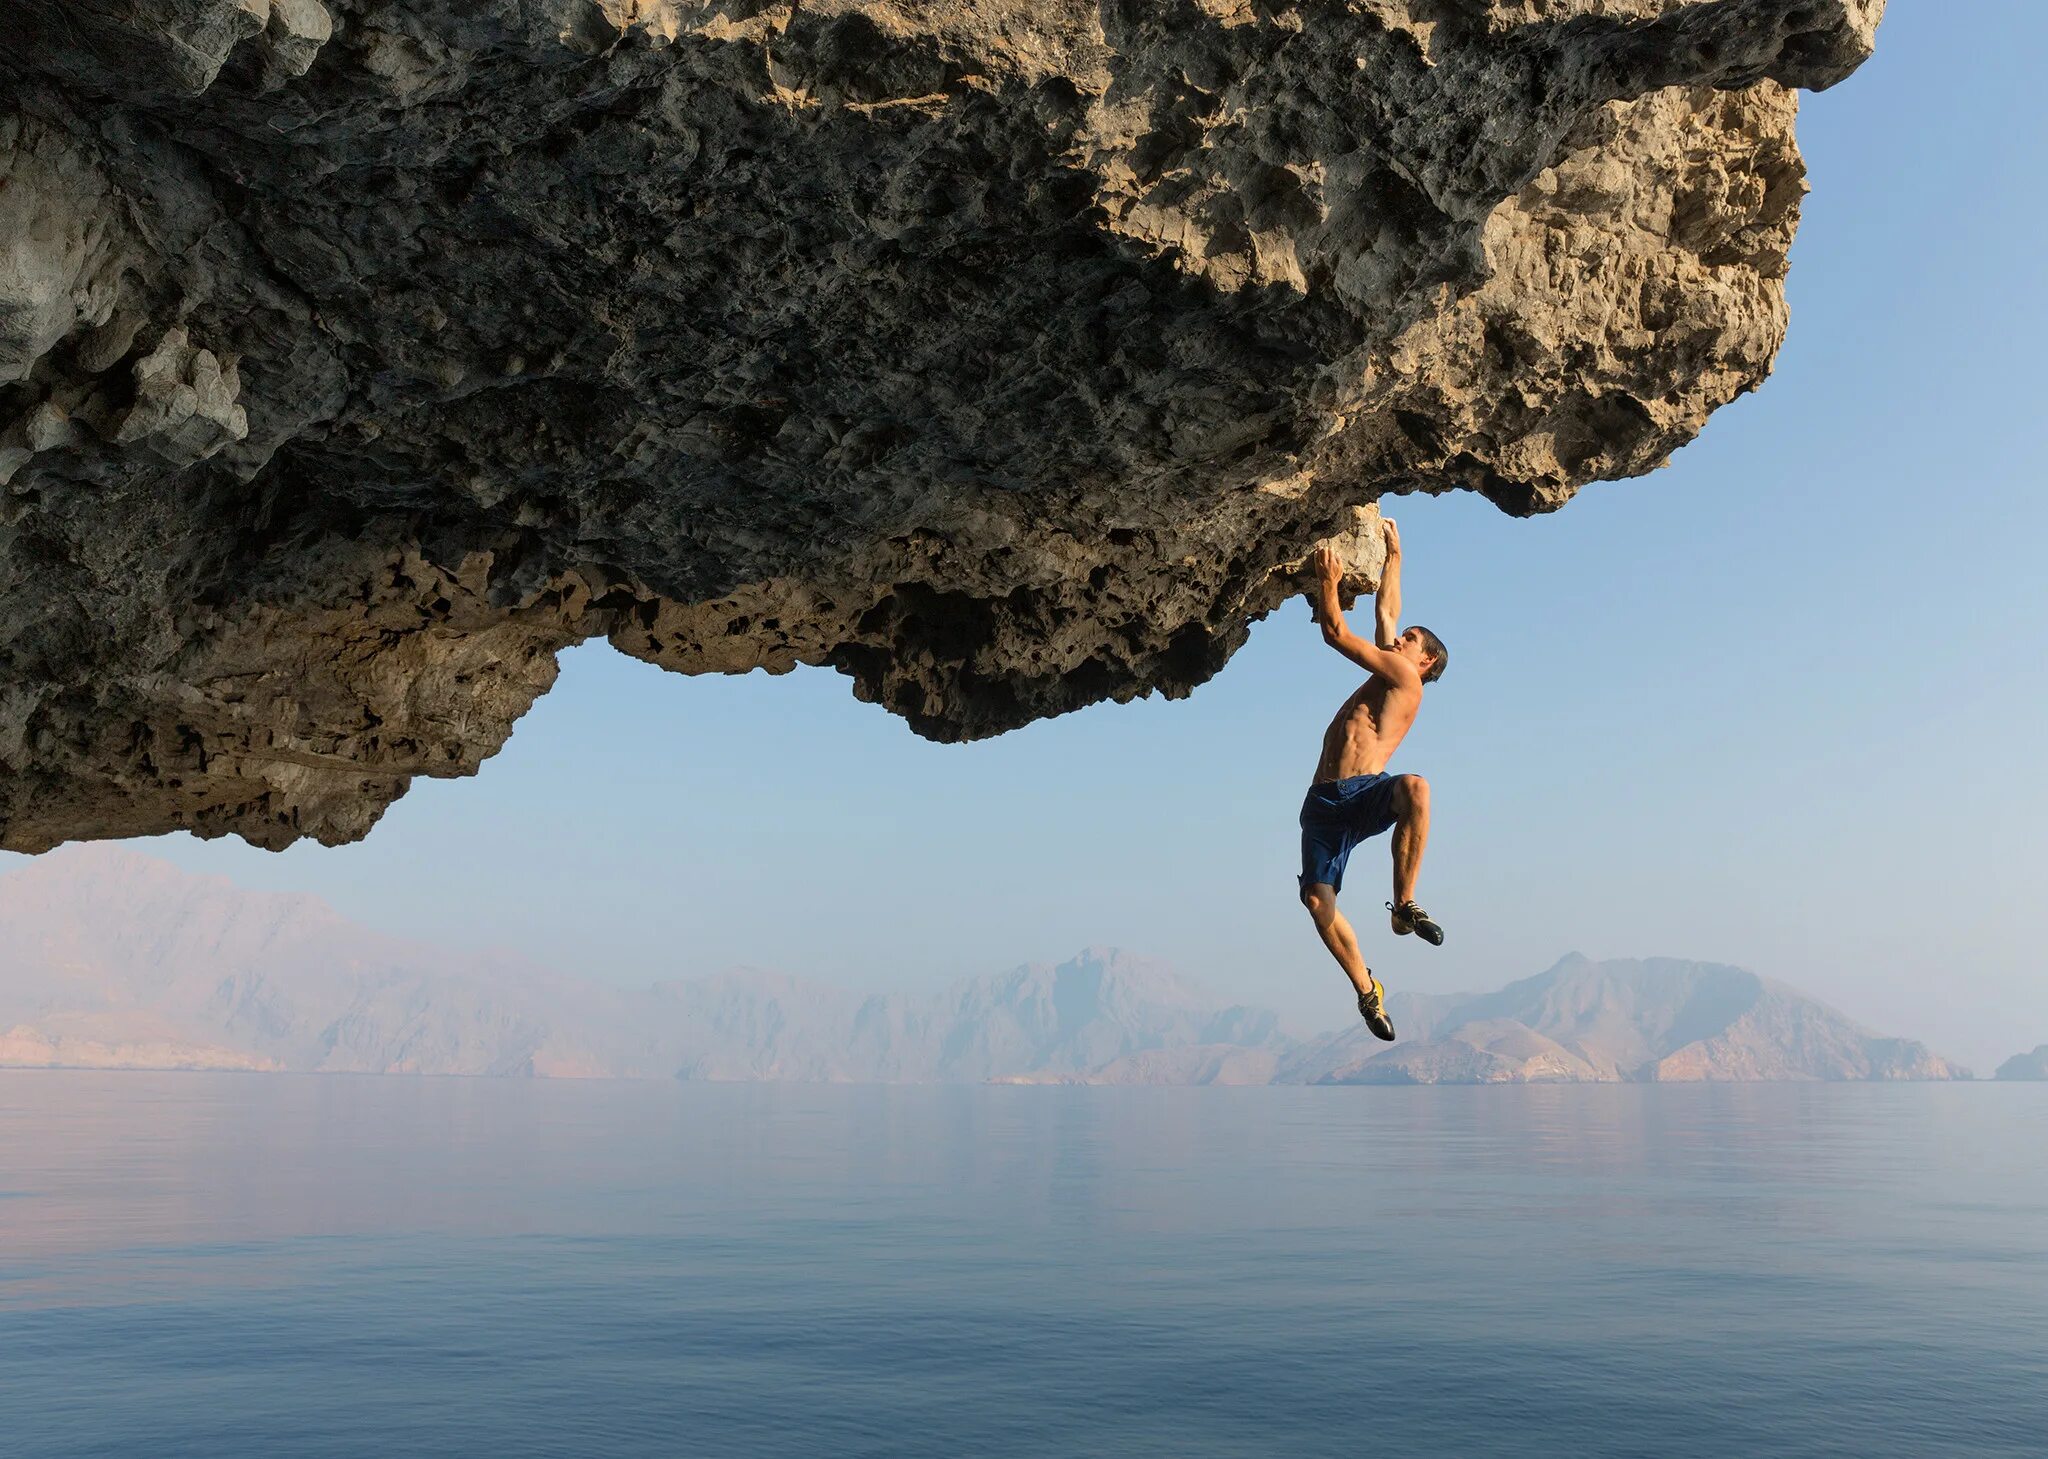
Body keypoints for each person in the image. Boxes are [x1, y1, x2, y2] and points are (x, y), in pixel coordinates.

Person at [1298, 518, 1448, 1040]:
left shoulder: (1406, 678)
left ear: (1424, 660)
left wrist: (1328, 582)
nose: (1398, 638)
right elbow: (1387, 612)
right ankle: (1368, 991)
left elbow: (1336, 632)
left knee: (1416, 787)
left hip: (1363, 793)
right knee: (1318, 903)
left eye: (1408, 641)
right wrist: (1394, 554)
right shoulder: (1391, 667)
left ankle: (1404, 903)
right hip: (1322, 803)